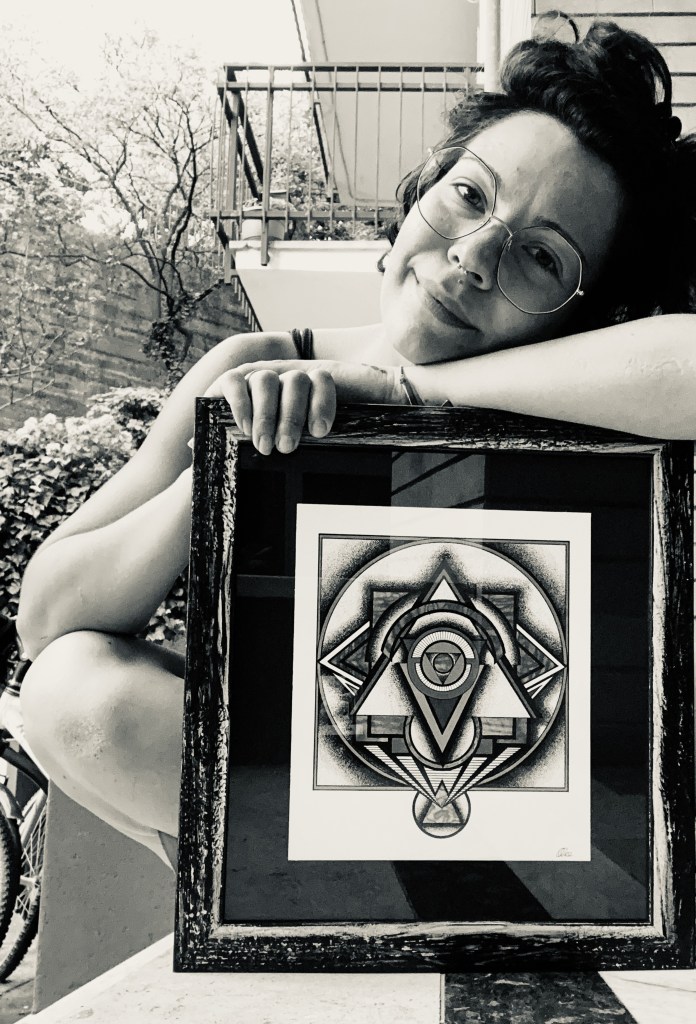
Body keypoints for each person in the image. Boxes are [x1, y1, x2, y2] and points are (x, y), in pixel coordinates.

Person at [12, 20, 696, 867]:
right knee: (70, 688)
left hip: (525, 808)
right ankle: (311, 904)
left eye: (543, 258)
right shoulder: (257, 362)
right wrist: (229, 462)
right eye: (470, 195)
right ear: (423, 187)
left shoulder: (602, 414)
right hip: (299, 801)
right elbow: (46, 621)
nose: (475, 256)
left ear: (585, 318)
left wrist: (406, 391)